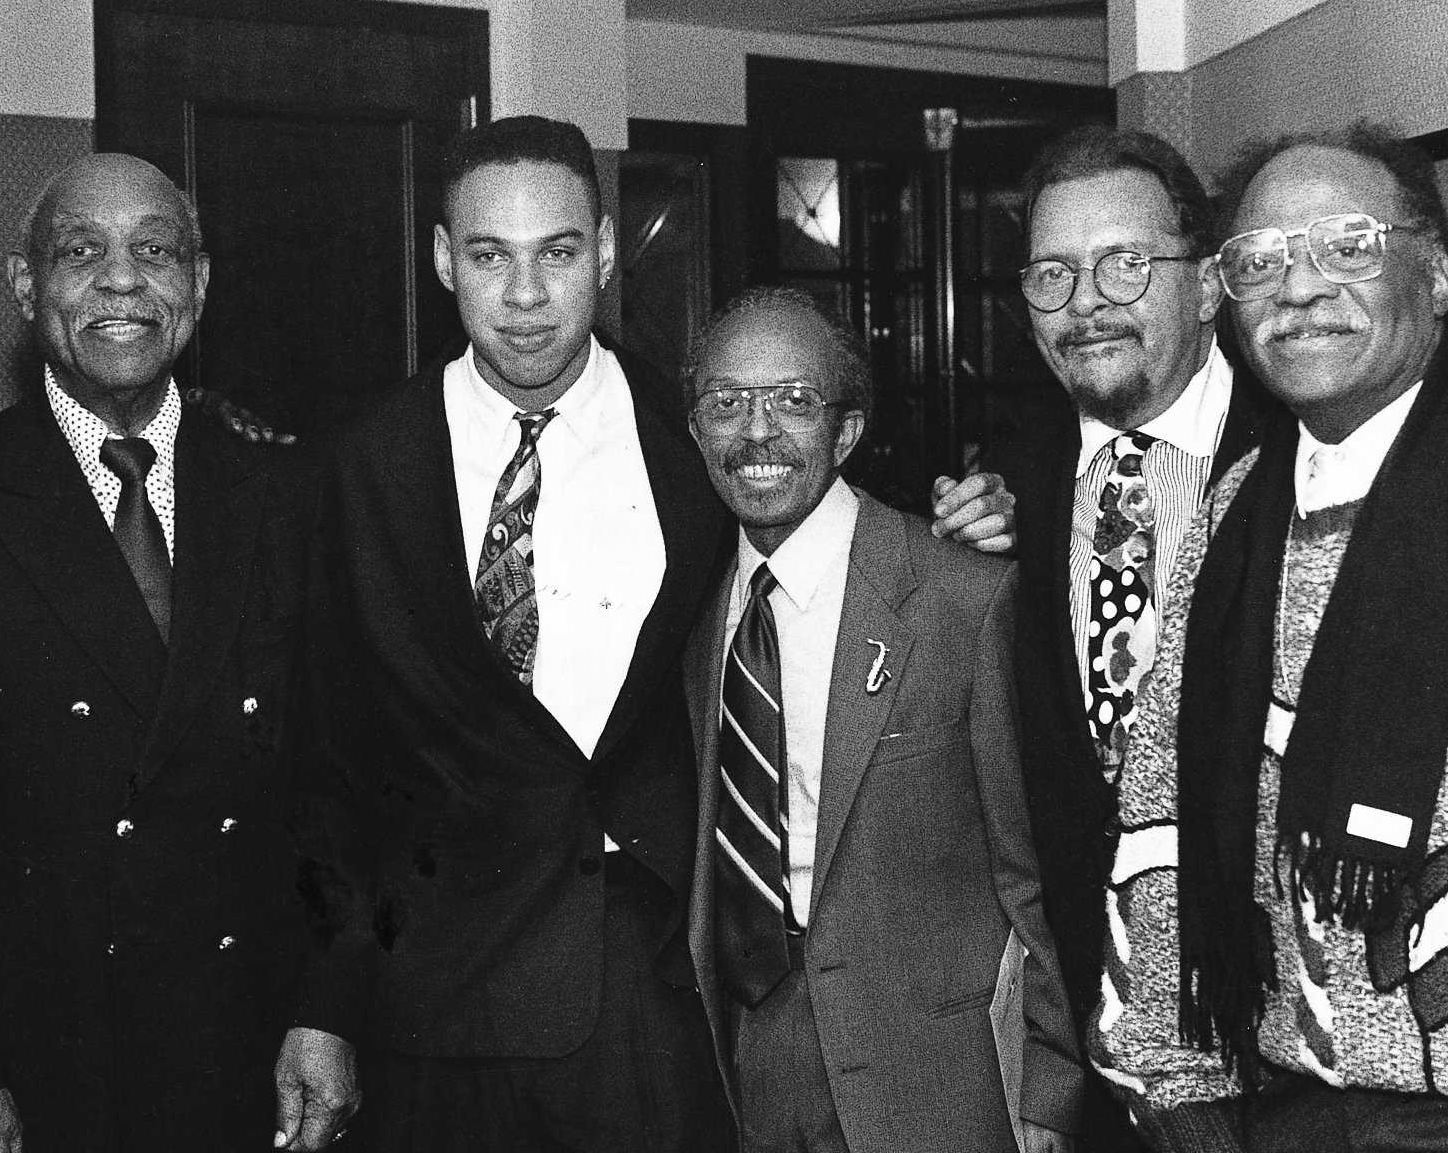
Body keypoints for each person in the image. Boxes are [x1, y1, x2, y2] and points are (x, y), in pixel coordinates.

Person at [278, 116, 1014, 1151]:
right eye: (490, 255)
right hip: (428, 1011)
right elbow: (325, 759)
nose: (526, 296)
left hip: (647, 993)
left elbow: (838, 534)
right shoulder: (354, 466)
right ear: (445, 259)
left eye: (560, 254)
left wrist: (974, 524)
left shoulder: (699, 443)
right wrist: (322, 1001)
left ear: (610, 252)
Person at [1094, 121, 1448, 1151]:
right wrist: (1167, 1078)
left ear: (1434, 273)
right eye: (1258, 262)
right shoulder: (1242, 506)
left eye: (1347, 246)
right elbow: (1162, 801)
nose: (1298, 288)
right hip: (1283, 1096)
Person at [0, 153, 310, 1152]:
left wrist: (329, 1012)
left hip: (251, 1049)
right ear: (26, 287)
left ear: (200, 284)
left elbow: (338, 792)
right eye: (80, 253)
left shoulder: (287, 493)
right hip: (41, 1056)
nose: (122, 281)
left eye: (154, 251)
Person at [938, 126, 1281, 1153]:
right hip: (1090, 1059)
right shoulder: (1004, 492)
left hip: (1291, 1049)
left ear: (1210, 281)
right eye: (1054, 273)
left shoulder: (1309, 457)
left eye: (1126, 264)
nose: (1086, 302)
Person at [681, 286, 1083, 1153]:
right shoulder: (685, 615)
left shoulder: (961, 597)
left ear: (847, 431)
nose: (757, 433)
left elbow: (1033, 868)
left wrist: (1053, 1090)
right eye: (727, 403)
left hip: (938, 1079)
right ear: (695, 430)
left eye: (794, 401)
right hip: (750, 1067)